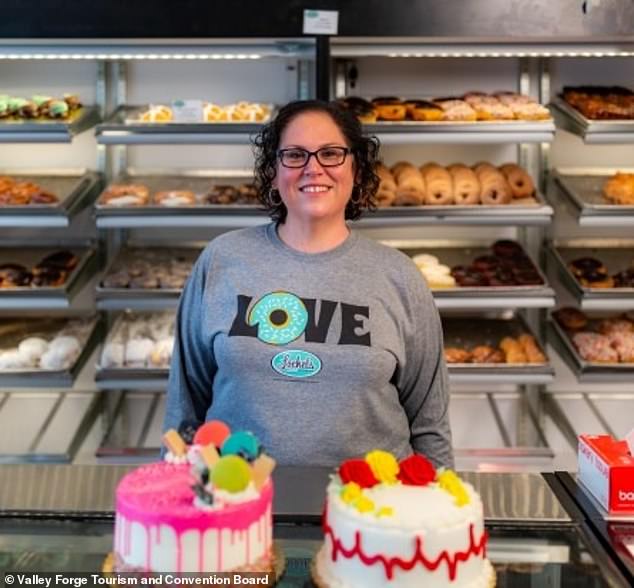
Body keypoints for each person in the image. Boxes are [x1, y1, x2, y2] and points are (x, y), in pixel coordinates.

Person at [164, 99, 453, 468]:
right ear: (273, 171)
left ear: (357, 170)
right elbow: (185, 410)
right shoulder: (222, 260)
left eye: (331, 154)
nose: (313, 168)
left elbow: (430, 424)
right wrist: (176, 493)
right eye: (295, 155)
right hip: (237, 503)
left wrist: (440, 506)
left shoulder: (399, 276)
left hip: (373, 510)